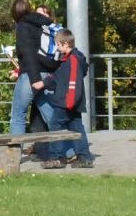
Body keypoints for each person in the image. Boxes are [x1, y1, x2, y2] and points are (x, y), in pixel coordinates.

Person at [41, 29, 95, 169]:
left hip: (66, 102)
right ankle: (84, 157)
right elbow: (59, 77)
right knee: (77, 129)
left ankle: (56, 157)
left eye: (58, 45)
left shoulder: (73, 60)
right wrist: (44, 83)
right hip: (70, 102)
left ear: (65, 44)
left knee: (55, 127)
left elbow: (72, 83)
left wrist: (69, 102)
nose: (57, 48)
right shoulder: (68, 60)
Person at [9, 0, 60, 137]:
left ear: (15, 14)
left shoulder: (22, 26)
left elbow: (28, 53)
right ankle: (68, 150)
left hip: (31, 76)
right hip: (48, 74)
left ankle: (14, 154)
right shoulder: (43, 24)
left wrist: (35, 79)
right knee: (50, 114)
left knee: (18, 115)